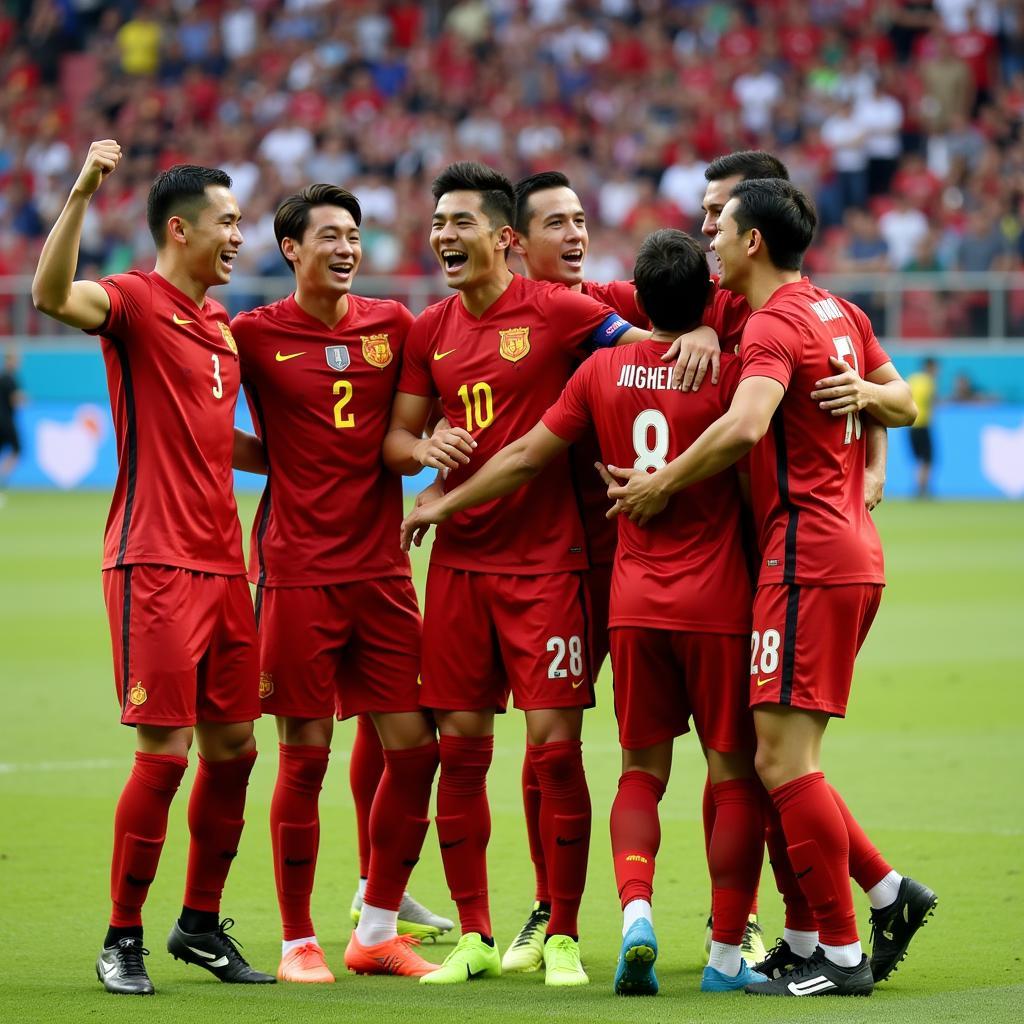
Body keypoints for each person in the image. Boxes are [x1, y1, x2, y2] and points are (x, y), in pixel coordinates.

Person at [399, 228, 768, 996]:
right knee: (733, 777)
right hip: (718, 602)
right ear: (705, 301)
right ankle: (729, 952)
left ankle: (633, 912)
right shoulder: (732, 374)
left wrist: (445, 503)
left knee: (640, 771)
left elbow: (530, 454)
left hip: (632, 601)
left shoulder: (599, 368)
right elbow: (752, 488)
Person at [604, 178, 937, 997]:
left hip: (803, 559)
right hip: (849, 551)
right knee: (782, 756)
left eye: (722, 226)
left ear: (753, 241)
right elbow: (896, 397)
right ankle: (880, 898)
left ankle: (843, 953)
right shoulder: (835, 310)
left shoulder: (775, 325)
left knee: (782, 761)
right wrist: (870, 400)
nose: (709, 237)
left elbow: (748, 425)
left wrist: (660, 485)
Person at [384, 161, 653, 988]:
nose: (442, 237)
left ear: (501, 237)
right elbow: (397, 438)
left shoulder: (564, 312)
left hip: (547, 567)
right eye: (436, 224)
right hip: (461, 569)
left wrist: (703, 339)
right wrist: (426, 451)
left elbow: (648, 353)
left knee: (553, 748)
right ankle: (473, 934)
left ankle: (563, 933)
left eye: (458, 223)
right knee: (459, 750)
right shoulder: (431, 328)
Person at [31, 141, 274, 995]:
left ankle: (200, 925)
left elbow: (221, 440)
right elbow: (49, 294)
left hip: (222, 565)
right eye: (230, 222)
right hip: (153, 563)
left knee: (236, 751)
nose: (242, 236)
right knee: (164, 755)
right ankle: (121, 936)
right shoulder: (133, 301)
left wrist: (311, 458)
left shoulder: (218, 326)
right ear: (181, 229)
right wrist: (82, 191)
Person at [491, 169, 722, 973]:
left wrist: (701, 334)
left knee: (691, 752)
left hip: (626, 553)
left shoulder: (617, 305)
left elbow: (707, 305)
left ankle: (738, 918)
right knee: (547, 739)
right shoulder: (491, 320)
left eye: (583, 220)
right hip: (552, 561)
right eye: (559, 223)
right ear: (514, 240)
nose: (578, 235)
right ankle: (548, 908)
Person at [230, 184, 450, 984]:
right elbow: (201, 412)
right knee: (304, 755)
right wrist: (278, 460)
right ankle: (297, 942)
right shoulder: (252, 335)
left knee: (416, 749)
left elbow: (414, 418)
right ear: (292, 248)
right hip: (297, 574)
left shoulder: (393, 325)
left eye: (354, 235)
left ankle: (376, 925)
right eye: (330, 236)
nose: (347, 248)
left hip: (383, 569)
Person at [907, 357, 939, 498]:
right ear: (930, 367)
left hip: (911, 425)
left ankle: (919, 487)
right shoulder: (929, 382)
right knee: (928, 459)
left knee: (919, 459)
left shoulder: (912, 379)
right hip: (924, 425)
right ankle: (923, 489)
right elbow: (932, 402)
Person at [0, 347, 25, 503]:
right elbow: (16, 401)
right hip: (6, 421)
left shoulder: (2, 378)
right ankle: (2, 480)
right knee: (17, 449)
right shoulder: (11, 379)